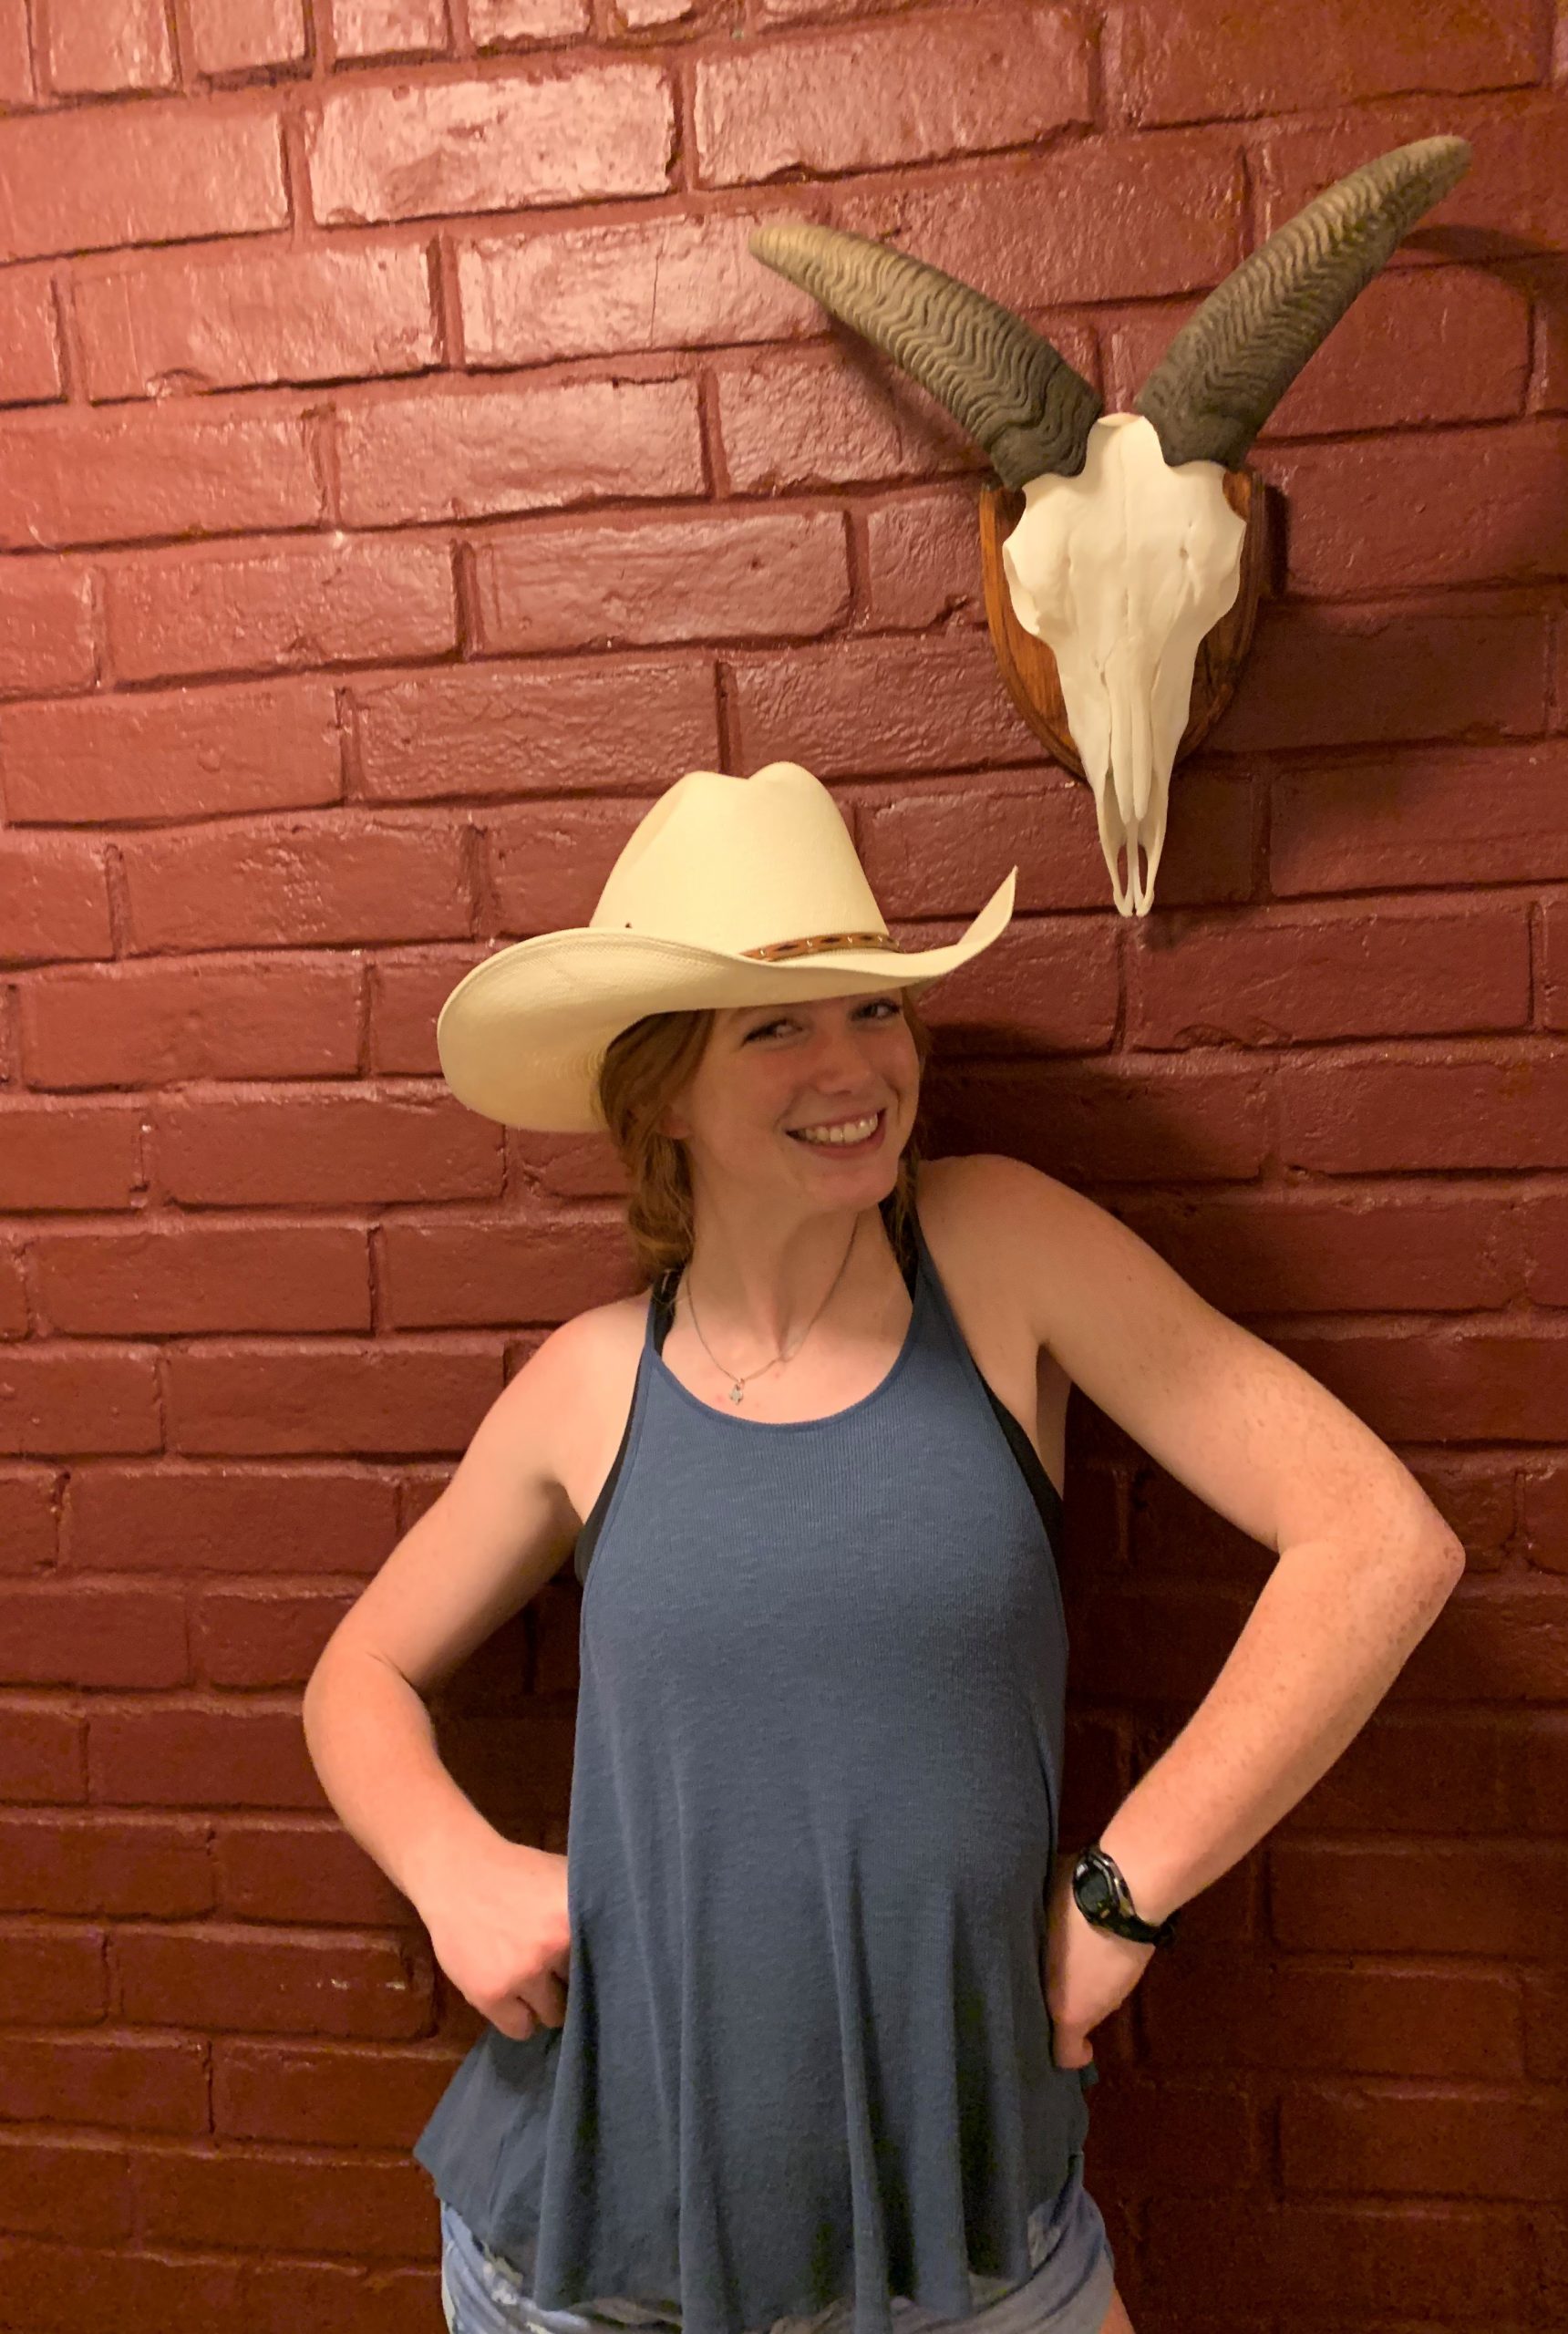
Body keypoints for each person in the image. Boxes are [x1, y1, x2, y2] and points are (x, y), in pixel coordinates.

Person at [302, 762, 1465, 2334]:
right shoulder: (589, 1381)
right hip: (589, 2253)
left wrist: (1125, 1893)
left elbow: (1377, 1540)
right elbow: (358, 1672)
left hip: (968, 2242)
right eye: (775, 1027)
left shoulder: (996, 1251)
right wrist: (450, 1866)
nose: (854, 1064)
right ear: (662, 1094)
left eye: (875, 1009)